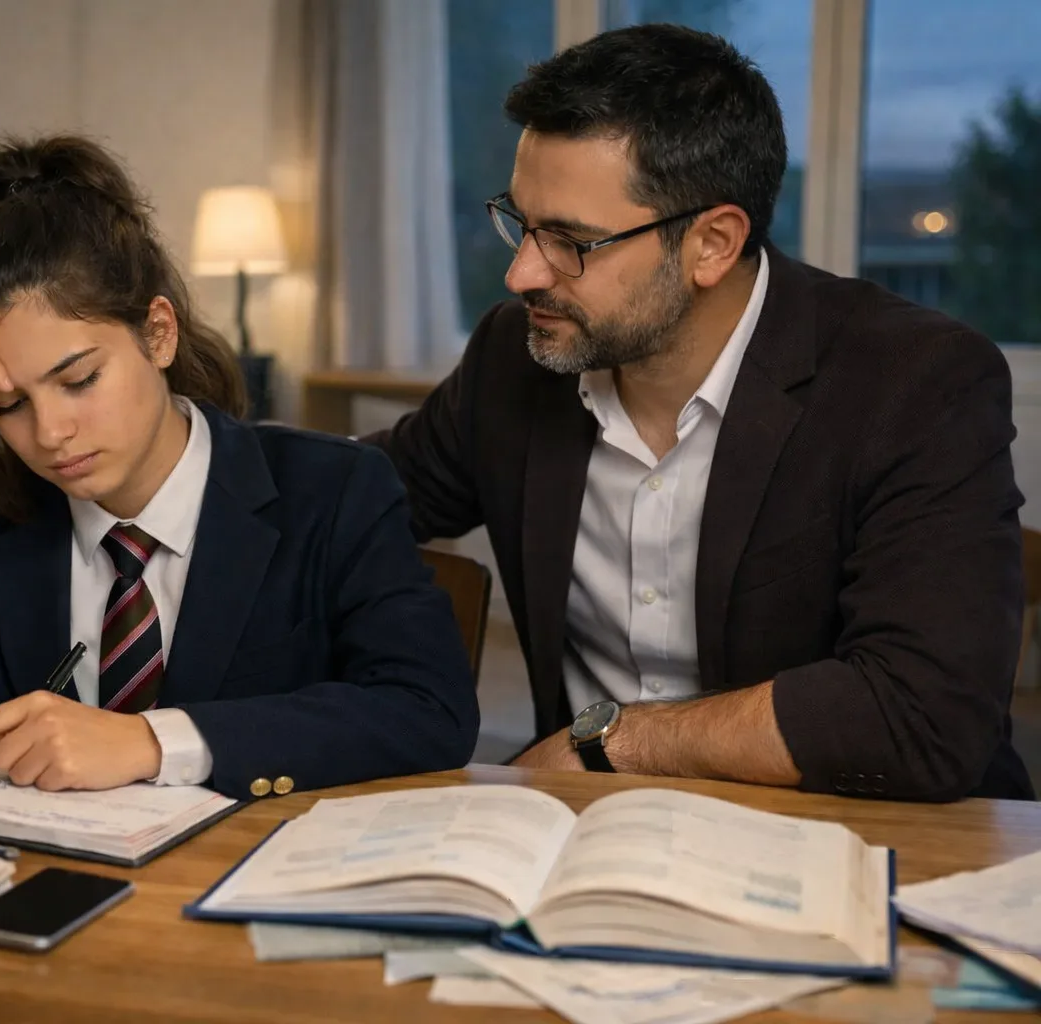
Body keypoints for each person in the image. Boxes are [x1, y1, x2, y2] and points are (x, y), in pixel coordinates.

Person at [370, 24, 1032, 801]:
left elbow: (921, 713)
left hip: (859, 830)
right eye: (520, 223)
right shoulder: (514, 361)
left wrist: (610, 744)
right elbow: (349, 500)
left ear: (713, 243)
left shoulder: (913, 381)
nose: (521, 273)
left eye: (570, 242)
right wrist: (192, 436)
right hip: (589, 835)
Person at [0, 135, 478, 799]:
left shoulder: (333, 490)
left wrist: (152, 741)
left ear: (158, 334)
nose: (52, 434)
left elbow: (429, 712)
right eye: (10, 405)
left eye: (79, 379)